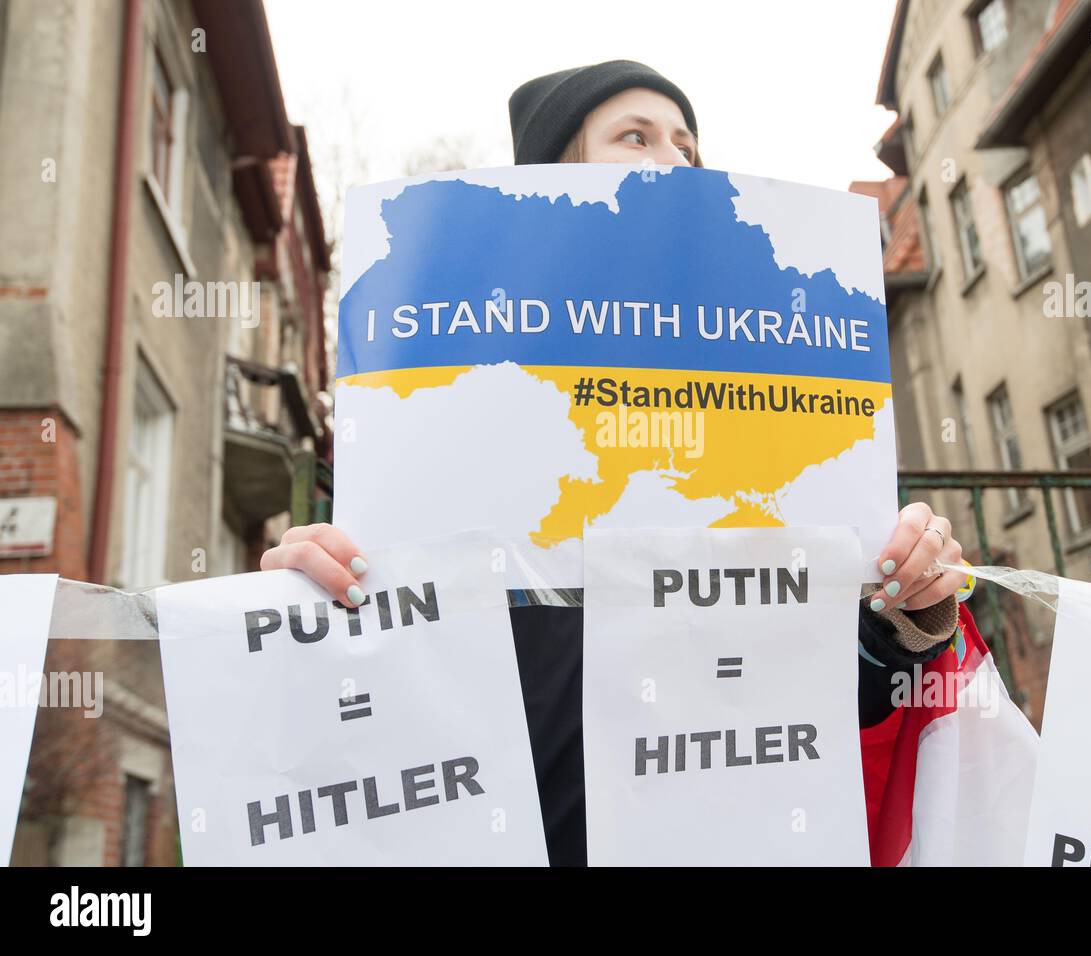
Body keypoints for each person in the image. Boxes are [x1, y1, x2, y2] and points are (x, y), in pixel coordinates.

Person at [262, 60, 970, 865]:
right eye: (634, 136)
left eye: (687, 146)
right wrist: (316, 609)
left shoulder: (775, 417)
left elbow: (826, 715)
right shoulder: (438, 429)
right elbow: (370, 728)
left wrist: (899, 618)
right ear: (549, 180)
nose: (671, 159)